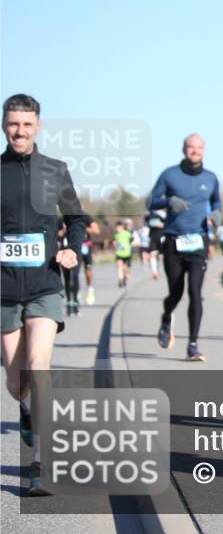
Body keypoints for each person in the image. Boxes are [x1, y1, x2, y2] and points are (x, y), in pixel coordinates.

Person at [1, 94, 87, 496]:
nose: (20, 131)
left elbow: (76, 218)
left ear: (38, 127)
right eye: (13, 124)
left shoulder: (54, 170)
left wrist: (73, 248)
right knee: (17, 382)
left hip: (44, 284)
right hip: (3, 288)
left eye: (27, 124)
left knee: (39, 367)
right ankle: (24, 407)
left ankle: (41, 464)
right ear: (4, 125)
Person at [148, 134, 222, 362]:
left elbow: (217, 201)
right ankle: (166, 317)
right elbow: (150, 201)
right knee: (176, 292)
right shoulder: (170, 174)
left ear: (204, 150)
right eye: (191, 147)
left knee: (195, 293)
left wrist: (217, 214)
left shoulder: (211, 178)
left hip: (199, 241)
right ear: (184, 149)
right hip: (173, 240)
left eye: (199, 147)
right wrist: (169, 201)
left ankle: (193, 345)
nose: (195, 150)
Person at [59, 212, 99, 314]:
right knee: (67, 279)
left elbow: (96, 230)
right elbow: (56, 234)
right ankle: (69, 302)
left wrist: (79, 229)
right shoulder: (61, 219)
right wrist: (63, 230)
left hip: (79, 249)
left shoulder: (84, 217)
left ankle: (77, 301)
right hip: (64, 250)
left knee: (76, 275)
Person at [144, 208, 166, 281]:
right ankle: (154, 272)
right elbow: (146, 224)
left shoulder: (162, 213)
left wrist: (162, 225)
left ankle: (165, 270)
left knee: (162, 256)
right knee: (152, 254)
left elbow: (167, 224)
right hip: (152, 237)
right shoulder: (148, 213)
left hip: (162, 236)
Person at [113, 221, 133, 288]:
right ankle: (120, 280)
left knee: (125, 268)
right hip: (119, 253)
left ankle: (124, 278)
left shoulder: (127, 233)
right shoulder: (115, 235)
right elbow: (114, 242)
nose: (118, 229)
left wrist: (127, 246)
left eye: (119, 228)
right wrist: (115, 245)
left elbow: (131, 240)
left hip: (127, 253)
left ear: (122, 227)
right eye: (116, 228)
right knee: (119, 266)